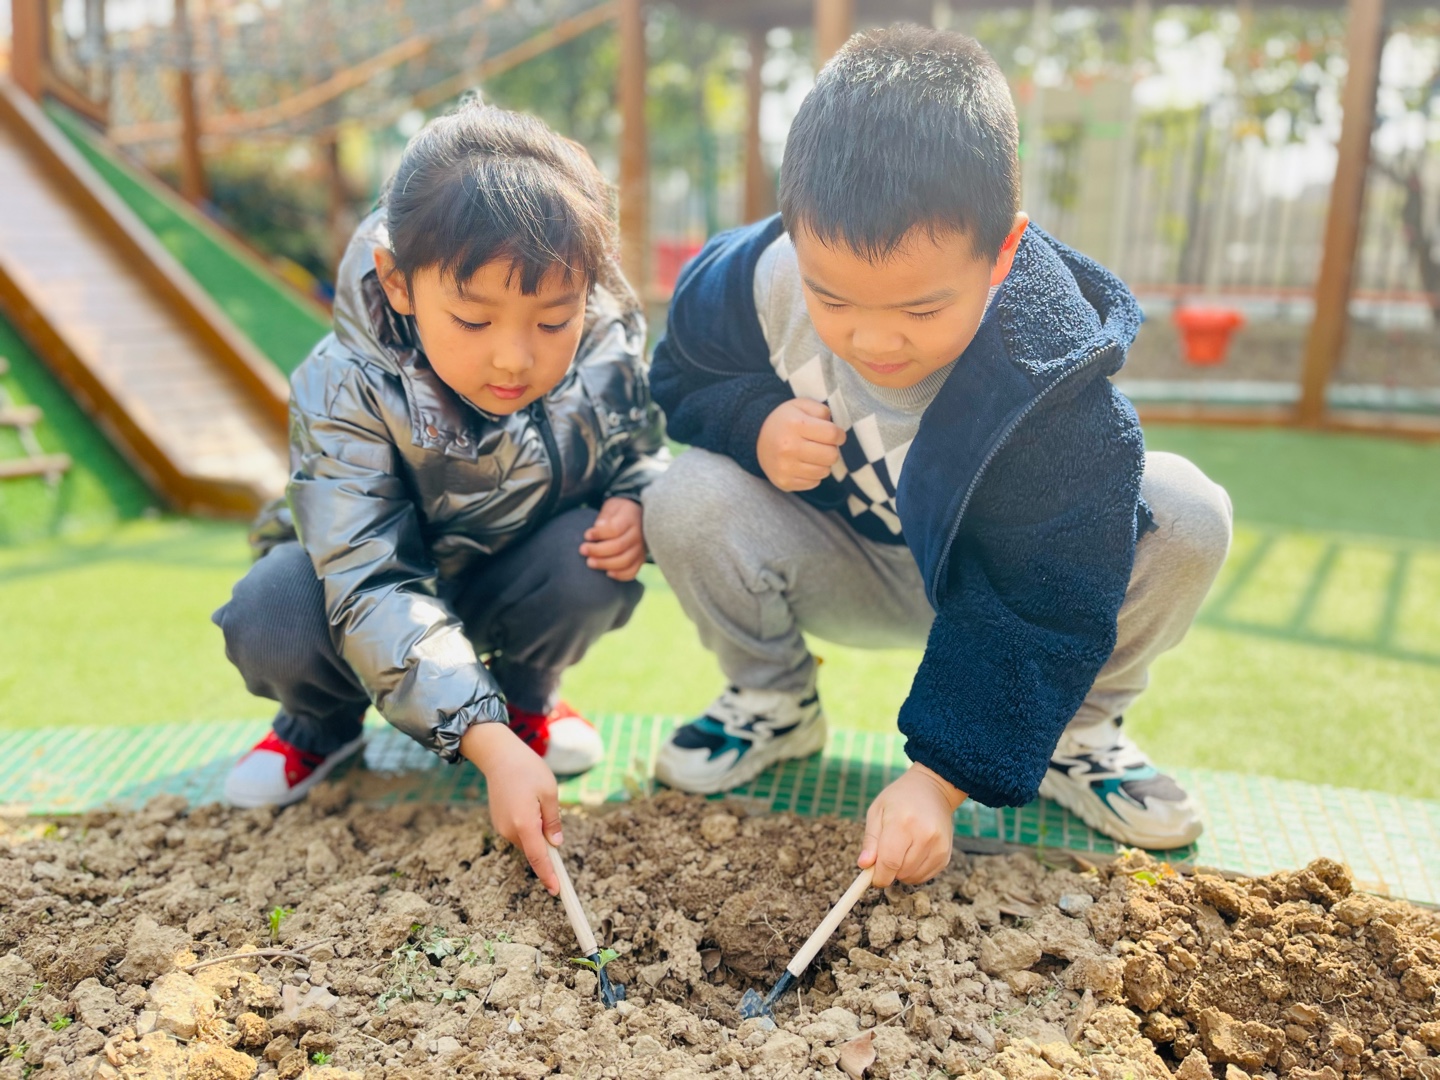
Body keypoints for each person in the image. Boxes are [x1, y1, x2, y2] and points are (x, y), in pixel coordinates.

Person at [642, 26, 1232, 884]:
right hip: (843, 560)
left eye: (920, 310)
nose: (874, 341)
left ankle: (1074, 732)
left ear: (1002, 252)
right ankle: (773, 699)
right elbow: (682, 373)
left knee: (1185, 511)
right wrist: (752, 422)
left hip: (994, 577)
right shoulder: (750, 279)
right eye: (833, 299)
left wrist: (940, 780)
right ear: (794, 234)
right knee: (684, 493)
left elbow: (1048, 594)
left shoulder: (1048, 366)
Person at [213, 101, 665, 894]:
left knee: (592, 557)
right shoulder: (342, 382)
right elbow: (369, 578)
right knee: (272, 613)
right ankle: (320, 725)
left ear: (585, 291)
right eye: (474, 319)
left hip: (503, 573)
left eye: (552, 321)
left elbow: (638, 449)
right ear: (399, 282)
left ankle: (527, 699)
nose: (514, 357)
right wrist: (484, 746)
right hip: (362, 596)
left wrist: (635, 499)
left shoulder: (605, 345)